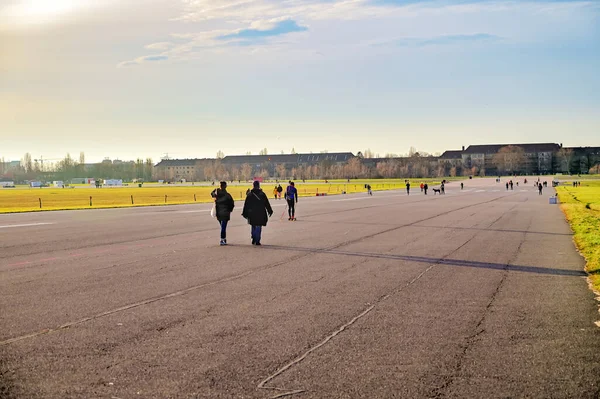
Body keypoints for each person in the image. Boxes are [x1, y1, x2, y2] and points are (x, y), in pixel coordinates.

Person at [242, 181, 273, 245]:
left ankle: (254, 237)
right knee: (259, 225)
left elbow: (246, 204)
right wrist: (270, 211)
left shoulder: (250, 194)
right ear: (258, 186)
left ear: (253, 186)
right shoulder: (262, 194)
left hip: (252, 212)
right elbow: (266, 203)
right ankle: (257, 240)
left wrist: (245, 213)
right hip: (260, 212)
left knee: (253, 225)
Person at [211, 181, 235, 246]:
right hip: (225, 213)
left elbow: (212, 194)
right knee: (223, 227)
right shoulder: (228, 195)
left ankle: (223, 239)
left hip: (218, 213)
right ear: (225, 186)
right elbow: (232, 204)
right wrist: (230, 210)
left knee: (222, 226)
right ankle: (222, 239)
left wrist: (215, 190)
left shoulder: (217, 195)